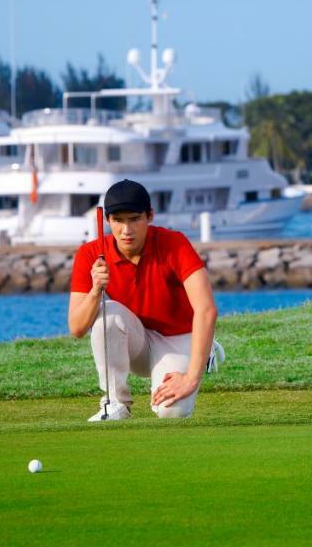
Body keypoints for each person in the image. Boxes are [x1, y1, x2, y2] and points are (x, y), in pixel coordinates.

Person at [68, 179, 220, 420]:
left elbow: (206, 310)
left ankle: (205, 350)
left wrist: (191, 378)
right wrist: (96, 289)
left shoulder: (174, 244)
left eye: (134, 219)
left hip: (177, 338)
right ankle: (115, 404)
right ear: (108, 220)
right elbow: (76, 328)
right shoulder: (89, 254)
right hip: (136, 340)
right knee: (108, 314)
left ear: (149, 216)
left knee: (172, 411)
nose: (126, 230)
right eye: (118, 220)